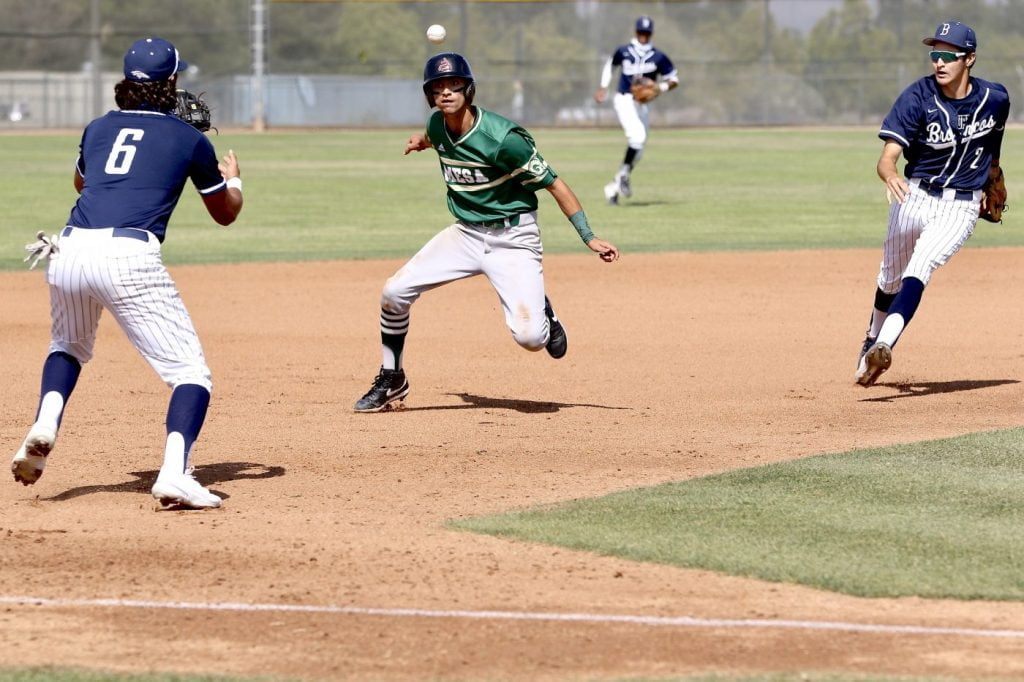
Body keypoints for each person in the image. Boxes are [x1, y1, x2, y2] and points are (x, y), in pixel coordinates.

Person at [11, 37, 244, 507]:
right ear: (173, 82)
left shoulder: (97, 127)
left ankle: (45, 422)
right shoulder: (189, 139)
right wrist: (233, 177)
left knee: (68, 347)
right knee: (190, 374)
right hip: (128, 257)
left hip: (69, 249)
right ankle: (174, 474)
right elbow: (225, 212)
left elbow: (83, 181)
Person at [353, 52, 619, 413]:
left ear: (469, 88)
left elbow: (555, 184)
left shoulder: (505, 139)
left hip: (513, 239)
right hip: (465, 234)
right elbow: (441, 139)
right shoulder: (436, 125)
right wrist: (422, 141)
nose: (446, 92)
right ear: (429, 94)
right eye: (438, 86)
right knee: (394, 292)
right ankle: (392, 378)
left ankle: (545, 311)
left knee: (530, 338)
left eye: (454, 84)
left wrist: (588, 235)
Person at [855, 21, 1010, 387]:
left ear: (969, 59)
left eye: (948, 55)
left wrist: (993, 180)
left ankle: (884, 345)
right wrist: (890, 173)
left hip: (961, 206)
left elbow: (992, 149)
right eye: (934, 55)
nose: (939, 63)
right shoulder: (917, 97)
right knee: (889, 278)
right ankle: (870, 341)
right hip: (915, 195)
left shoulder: (996, 99)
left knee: (920, 268)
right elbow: (887, 156)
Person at [594, 15, 678, 205]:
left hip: (642, 106)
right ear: (636, 32)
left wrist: (660, 88)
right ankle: (623, 175)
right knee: (637, 138)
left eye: (646, 33)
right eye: (641, 32)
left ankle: (613, 187)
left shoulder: (658, 56)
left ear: (651, 34)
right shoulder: (624, 51)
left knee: (639, 147)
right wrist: (603, 87)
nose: (643, 36)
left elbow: (674, 79)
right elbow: (610, 65)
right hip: (624, 100)